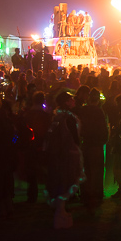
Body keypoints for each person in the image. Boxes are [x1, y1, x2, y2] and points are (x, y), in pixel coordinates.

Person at [44, 90, 84, 229]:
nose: (74, 101)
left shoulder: (56, 116)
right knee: (65, 182)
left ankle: (60, 211)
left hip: (58, 155)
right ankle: (60, 214)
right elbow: (75, 138)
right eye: (71, 99)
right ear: (66, 102)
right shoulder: (67, 118)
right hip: (67, 155)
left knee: (60, 181)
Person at [75, 88, 109, 209]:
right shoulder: (99, 111)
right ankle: (96, 195)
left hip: (86, 144)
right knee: (97, 171)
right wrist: (104, 140)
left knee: (86, 170)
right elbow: (103, 129)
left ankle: (85, 195)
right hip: (96, 145)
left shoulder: (82, 110)